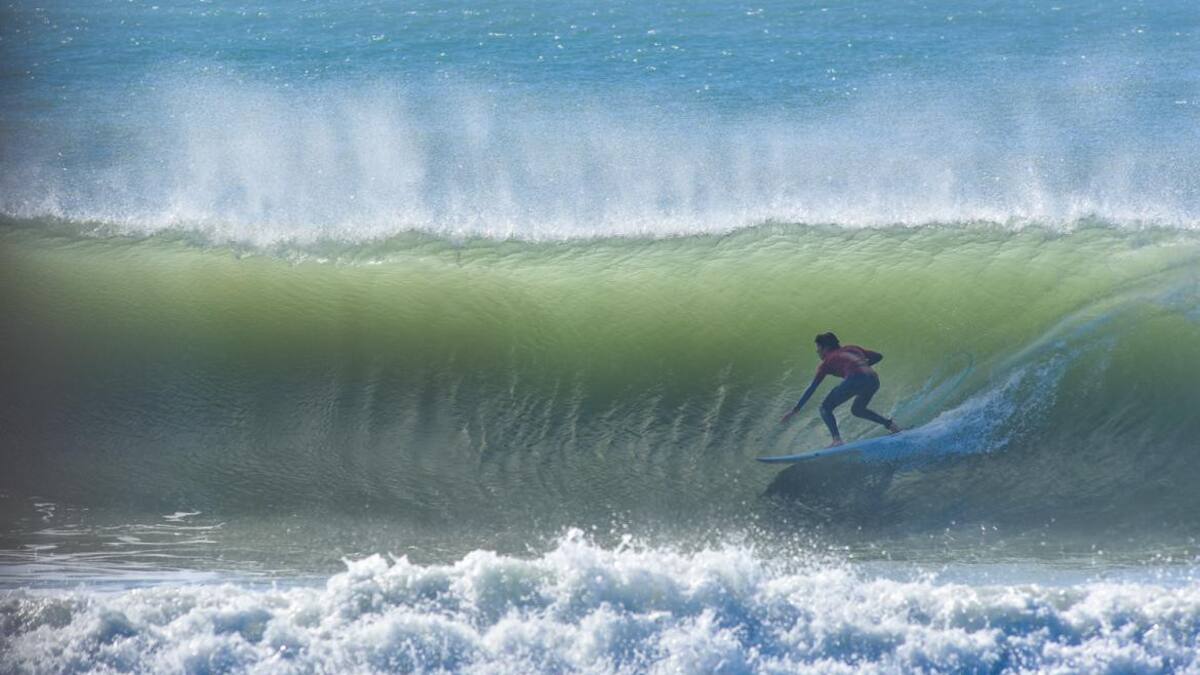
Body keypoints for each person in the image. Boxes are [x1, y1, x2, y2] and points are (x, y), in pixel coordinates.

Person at [780, 332, 902, 446]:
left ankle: (836, 440)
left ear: (825, 348)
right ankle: (891, 425)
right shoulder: (853, 348)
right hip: (873, 379)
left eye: (818, 347)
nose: (817, 351)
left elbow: (812, 387)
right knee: (857, 410)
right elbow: (878, 356)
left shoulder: (826, 362)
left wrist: (795, 410)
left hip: (855, 379)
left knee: (825, 408)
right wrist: (862, 365)